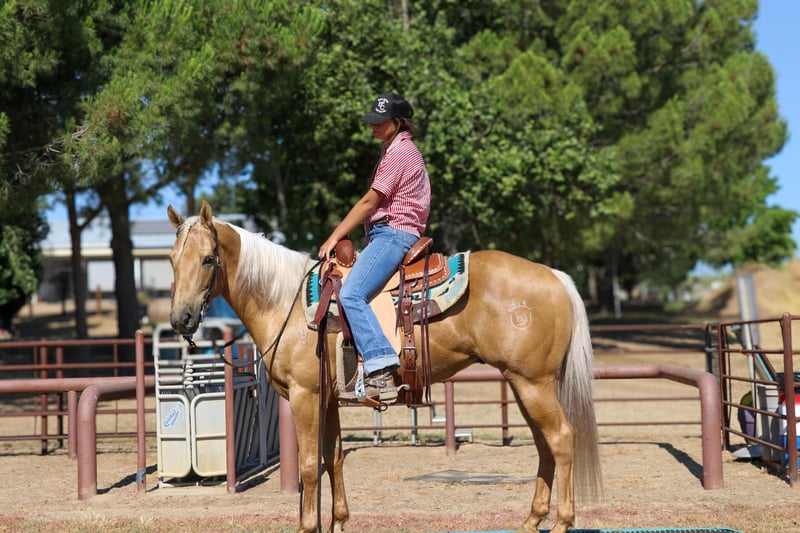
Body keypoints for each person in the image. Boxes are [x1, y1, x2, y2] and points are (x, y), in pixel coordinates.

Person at [318, 92, 431, 402]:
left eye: (380, 121)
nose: (373, 126)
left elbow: (369, 202)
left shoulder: (400, 152)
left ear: (398, 122)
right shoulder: (394, 149)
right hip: (391, 233)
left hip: (393, 234)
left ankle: (380, 370)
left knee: (352, 294)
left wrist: (334, 237)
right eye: (372, 121)